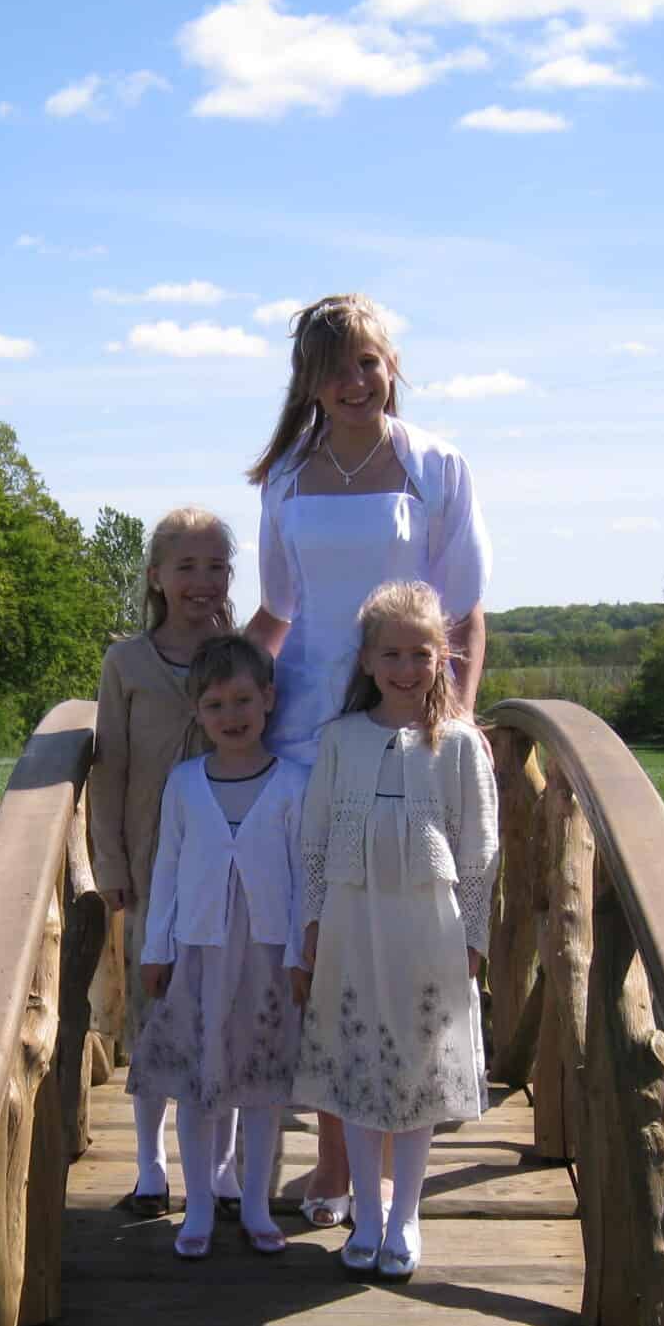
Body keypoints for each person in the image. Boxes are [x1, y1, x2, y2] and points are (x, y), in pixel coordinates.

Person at [244, 294, 492, 1229]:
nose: (355, 382)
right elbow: (278, 614)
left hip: (405, 725)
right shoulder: (286, 478)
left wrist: (454, 720)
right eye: (335, 367)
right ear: (308, 381)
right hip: (311, 733)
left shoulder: (436, 467)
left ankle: (390, 1164)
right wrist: (207, 692)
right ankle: (333, 1160)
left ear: (392, 368)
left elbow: (464, 612)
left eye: (369, 363)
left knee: (397, 943)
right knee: (324, 944)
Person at [287, 581, 499, 1279]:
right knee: (358, 1060)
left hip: (427, 928)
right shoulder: (340, 739)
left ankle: (405, 1212)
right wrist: (311, 921)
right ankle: (367, 1218)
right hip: (352, 923)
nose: (406, 669)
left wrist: (474, 938)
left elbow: (480, 850)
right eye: (391, 655)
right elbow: (314, 840)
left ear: (443, 657)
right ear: (368, 661)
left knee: (417, 1065)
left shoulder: (459, 745)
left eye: (420, 654)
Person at [131, 634, 306, 1259]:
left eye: (242, 701)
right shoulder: (184, 783)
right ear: (197, 712)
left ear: (268, 700)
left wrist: (300, 955)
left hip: (267, 953)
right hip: (198, 950)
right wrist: (156, 948)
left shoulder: (294, 783)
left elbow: (304, 877)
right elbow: (168, 866)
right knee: (197, 1081)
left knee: (260, 1083)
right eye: (215, 705)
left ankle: (255, 1204)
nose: (231, 716)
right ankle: (198, 1204)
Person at [88, 506, 236, 1216]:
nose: (202, 581)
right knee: (155, 1015)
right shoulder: (126, 663)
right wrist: (110, 863)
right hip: (152, 870)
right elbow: (109, 768)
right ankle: (151, 1165)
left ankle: (225, 1169)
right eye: (187, 567)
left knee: (227, 1017)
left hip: (230, 873)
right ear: (155, 577)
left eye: (216, 566)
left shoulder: (240, 655)